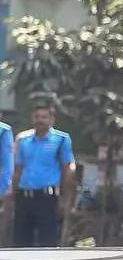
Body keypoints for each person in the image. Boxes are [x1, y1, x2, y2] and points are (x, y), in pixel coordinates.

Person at [8, 103, 74, 247]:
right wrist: (11, 196)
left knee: (47, 242)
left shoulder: (61, 139)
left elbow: (67, 170)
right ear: (32, 118)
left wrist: (65, 199)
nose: (40, 120)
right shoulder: (22, 139)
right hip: (24, 197)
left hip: (47, 198)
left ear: (51, 119)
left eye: (44, 117)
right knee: (20, 242)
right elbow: (17, 169)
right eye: (37, 117)